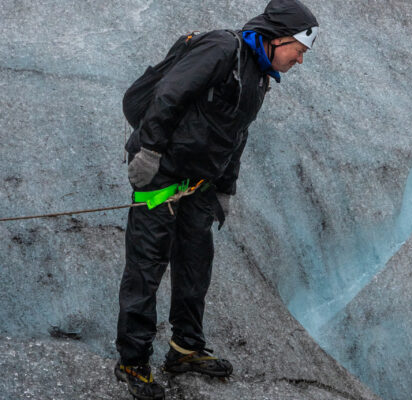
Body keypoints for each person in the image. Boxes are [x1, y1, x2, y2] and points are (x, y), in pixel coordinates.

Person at [114, 1, 319, 399]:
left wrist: (226, 187)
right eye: (299, 49)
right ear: (278, 37)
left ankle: (185, 348)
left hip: (199, 183)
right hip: (162, 174)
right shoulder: (222, 49)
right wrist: (149, 153)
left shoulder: (258, 76)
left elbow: (234, 136)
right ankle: (133, 361)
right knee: (147, 264)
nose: (299, 60)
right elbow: (169, 96)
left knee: (195, 263)